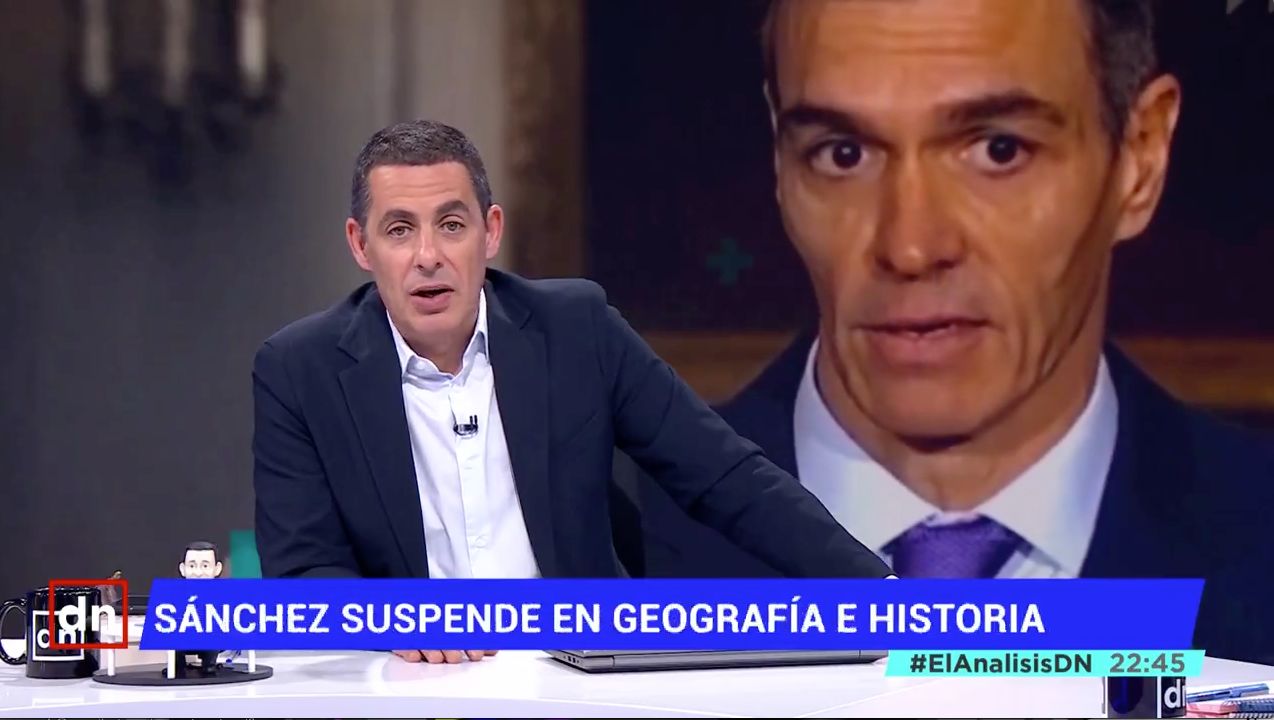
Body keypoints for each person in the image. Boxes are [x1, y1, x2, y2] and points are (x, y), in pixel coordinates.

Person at [626, 0, 1274, 665]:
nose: (910, 246)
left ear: (1140, 159)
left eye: (999, 150)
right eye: (844, 155)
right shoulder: (589, 549)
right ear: (780, 160)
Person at [251, 119, 893, 665]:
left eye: (451, 224)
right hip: (412, 686)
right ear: (360, 245)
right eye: (399, 230)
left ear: (490, 232)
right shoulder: (299, 370)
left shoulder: (576, 330)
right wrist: (396, 617)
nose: (428, 255)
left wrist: (880, 595)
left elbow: (724, 476)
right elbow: (300, 571)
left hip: (578, 679)